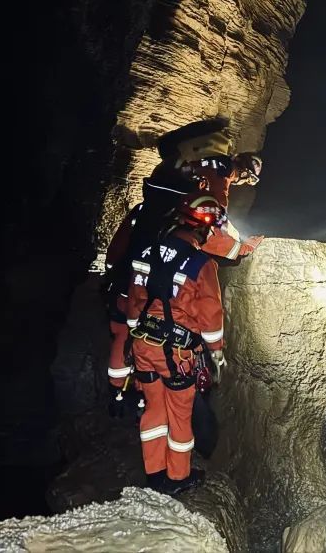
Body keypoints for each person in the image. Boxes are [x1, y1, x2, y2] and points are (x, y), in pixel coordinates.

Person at [106, 189, 228, 495]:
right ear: (204, 229)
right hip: (176, 353)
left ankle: (155, 474)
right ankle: (177, 477)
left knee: (154, 409)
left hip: (143, 345)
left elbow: (135, 301)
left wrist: (133, 339)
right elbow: (211, 315)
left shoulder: (147, 252)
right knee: (179, 415)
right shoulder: (201, 264)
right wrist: (216, 354)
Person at [157, 118, 265, 262]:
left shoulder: (205, 163)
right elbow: (216, 227)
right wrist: (244, 248)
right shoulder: (224, 175)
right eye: (249, 179)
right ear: (245, 173)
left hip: (161, 202)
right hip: (175, 227)